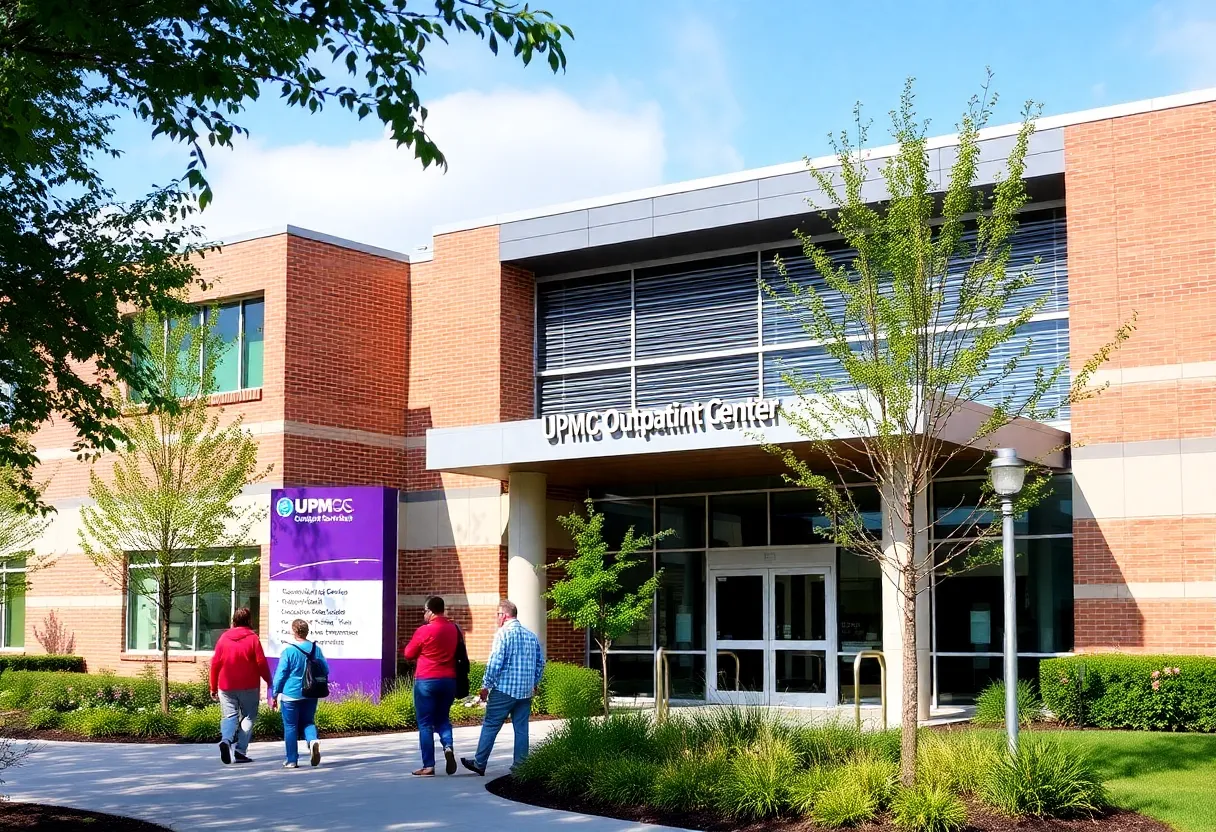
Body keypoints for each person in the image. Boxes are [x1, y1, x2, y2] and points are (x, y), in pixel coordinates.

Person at [461, 599, 545, 776]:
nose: (496, 618)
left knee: (491, 725)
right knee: (521, 729)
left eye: (497, 615)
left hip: (504, 690)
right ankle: (521, 766)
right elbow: (540, 663)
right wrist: (535, 683)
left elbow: (495, 662)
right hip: (525, 692)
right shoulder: (531, 635)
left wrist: (486, 686)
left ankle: (480, 762)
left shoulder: (503, 634)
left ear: (504, 615)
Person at [402, 596, 461, 776]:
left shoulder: (423, 630)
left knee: (425, 723)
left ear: (431, 611)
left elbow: (408, 653)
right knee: (443, 718)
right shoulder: (454, 629)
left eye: (425, 611)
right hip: (449, 680)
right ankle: (448, 746)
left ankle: (428, 765)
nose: (423, 614)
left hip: (426, 680)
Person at [210, 606, 272, 764]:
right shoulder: (253, 638)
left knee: (229, 716)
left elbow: (215, 664)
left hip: (226, 685)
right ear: (249, 620)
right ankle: (240, 750)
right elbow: (261, 663)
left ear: (234, 620)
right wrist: (269, 681)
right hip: (249, 685)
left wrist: (212, 686)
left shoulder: (224, 638)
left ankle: (226, 740)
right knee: (249, 716)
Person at [271, 618, 330, 769]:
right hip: (311, 692)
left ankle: (292, 760)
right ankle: (312, 741)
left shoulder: (289, 651)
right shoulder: (316, 649)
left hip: (291, 693)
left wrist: (275, 692)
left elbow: (281, 674)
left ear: (294, 631)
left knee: (290, 726)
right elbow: (326, 669)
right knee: (308, 721)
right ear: (306, 631)